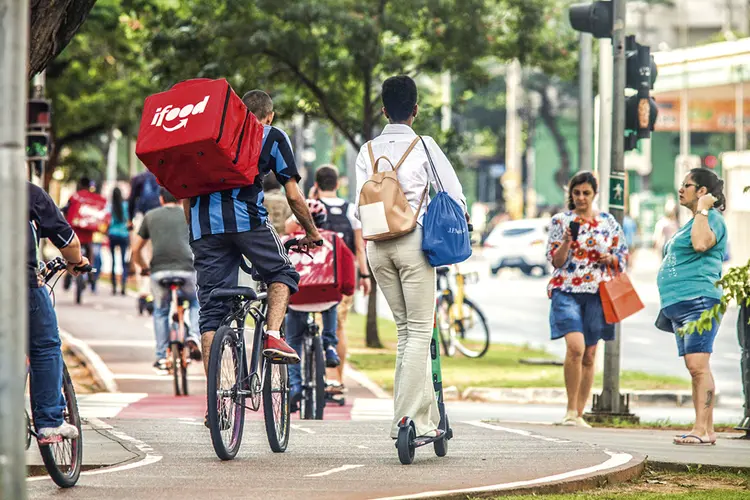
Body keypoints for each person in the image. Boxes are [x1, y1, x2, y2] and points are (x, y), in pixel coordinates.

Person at [354, 75, 468, 440]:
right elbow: (453, 194)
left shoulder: (367, 151)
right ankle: (405, 420)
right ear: (415, 110)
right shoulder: (425, 145)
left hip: (377, 247)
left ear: (383, 110)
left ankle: (427, 417)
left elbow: (359, 211)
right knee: (420, 331)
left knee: (405, 332)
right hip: (413, 242)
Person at [184, 89, 322, 378]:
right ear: (269, 115)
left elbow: (186, 194)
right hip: (248, 223)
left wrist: (196, 233)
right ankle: (273, 334)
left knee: (211, 312)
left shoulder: (207, 137)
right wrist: (311, 231)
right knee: (282, 273)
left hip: (204, 228)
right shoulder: (271, 136)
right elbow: (294, 195)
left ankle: (215, 400)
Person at [546, 171, 628, 428]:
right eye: (577, 193)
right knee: (576, 348)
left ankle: (579, 414)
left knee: (590, 354)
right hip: (566, 290)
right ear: (570, 194)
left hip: (597, 293)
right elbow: (556, 261)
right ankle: (570, 410)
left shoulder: (608, 222)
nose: (581, 198)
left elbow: (622, 257)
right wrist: (568, 243)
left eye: (586, 193)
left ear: (594, 194)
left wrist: (610, 259)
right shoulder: (561, 221)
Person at [655, 168, 727, 446]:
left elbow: (700, 244)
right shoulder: (689, 224)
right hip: (680, 303)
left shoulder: (712, 219)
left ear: (702, 192)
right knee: (697, 366)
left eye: (687, 185)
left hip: (699, 299)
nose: (680, 189)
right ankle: (706, 430)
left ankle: (700, 428)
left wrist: (704, 210)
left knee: (698, 365)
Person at [27, 182, 90, 443]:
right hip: (21, 285)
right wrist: (76, 262)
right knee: (45, 346)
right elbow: (69, 242)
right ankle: (50, 422)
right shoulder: (28, 194)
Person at [313, 165, 371, 389]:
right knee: (339, 327)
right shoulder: (351, 210)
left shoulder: (313, 207)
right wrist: (364, 276)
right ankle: (337, 378)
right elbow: (359, 247)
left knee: (316, 326)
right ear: (337, 184)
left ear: (316, 185)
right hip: (343, 279)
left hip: (316, 278)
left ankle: (318, 377)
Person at [133, 188, 202, 369]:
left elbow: (136, 250)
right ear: (179, 200)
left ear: (161, 199)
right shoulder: (189, 214)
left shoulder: (151, 216)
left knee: (161, 311)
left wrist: (144, 268)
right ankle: (194, 335)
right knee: (195, 303)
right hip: (187, 270)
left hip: (159, 272)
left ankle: (161, 356)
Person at [284, 199, 341, 410]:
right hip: (325, 298)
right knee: (333, 299)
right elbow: (345, 273)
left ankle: (295, 386)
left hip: (298, 299)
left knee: (293, 340)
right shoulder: (333, 241)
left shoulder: (287, 240)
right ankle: (330, 344)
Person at [128, 171, 162, 312]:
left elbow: (131, 200)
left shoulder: (139, 178)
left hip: (142, 218)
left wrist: (130, 220)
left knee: (139, 254)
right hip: (159, 219)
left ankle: (143, 291)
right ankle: (154, 291)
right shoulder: (162, 175)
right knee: (154, 256)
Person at [108, 187, 130, 295]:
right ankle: (123, 286)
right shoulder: (125, 206)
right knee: (123, 262)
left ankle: (114, 286)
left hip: (112, 234)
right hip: (124, 235)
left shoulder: (110, 207)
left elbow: (107, 220)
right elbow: (128, 220)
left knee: (113, 261)